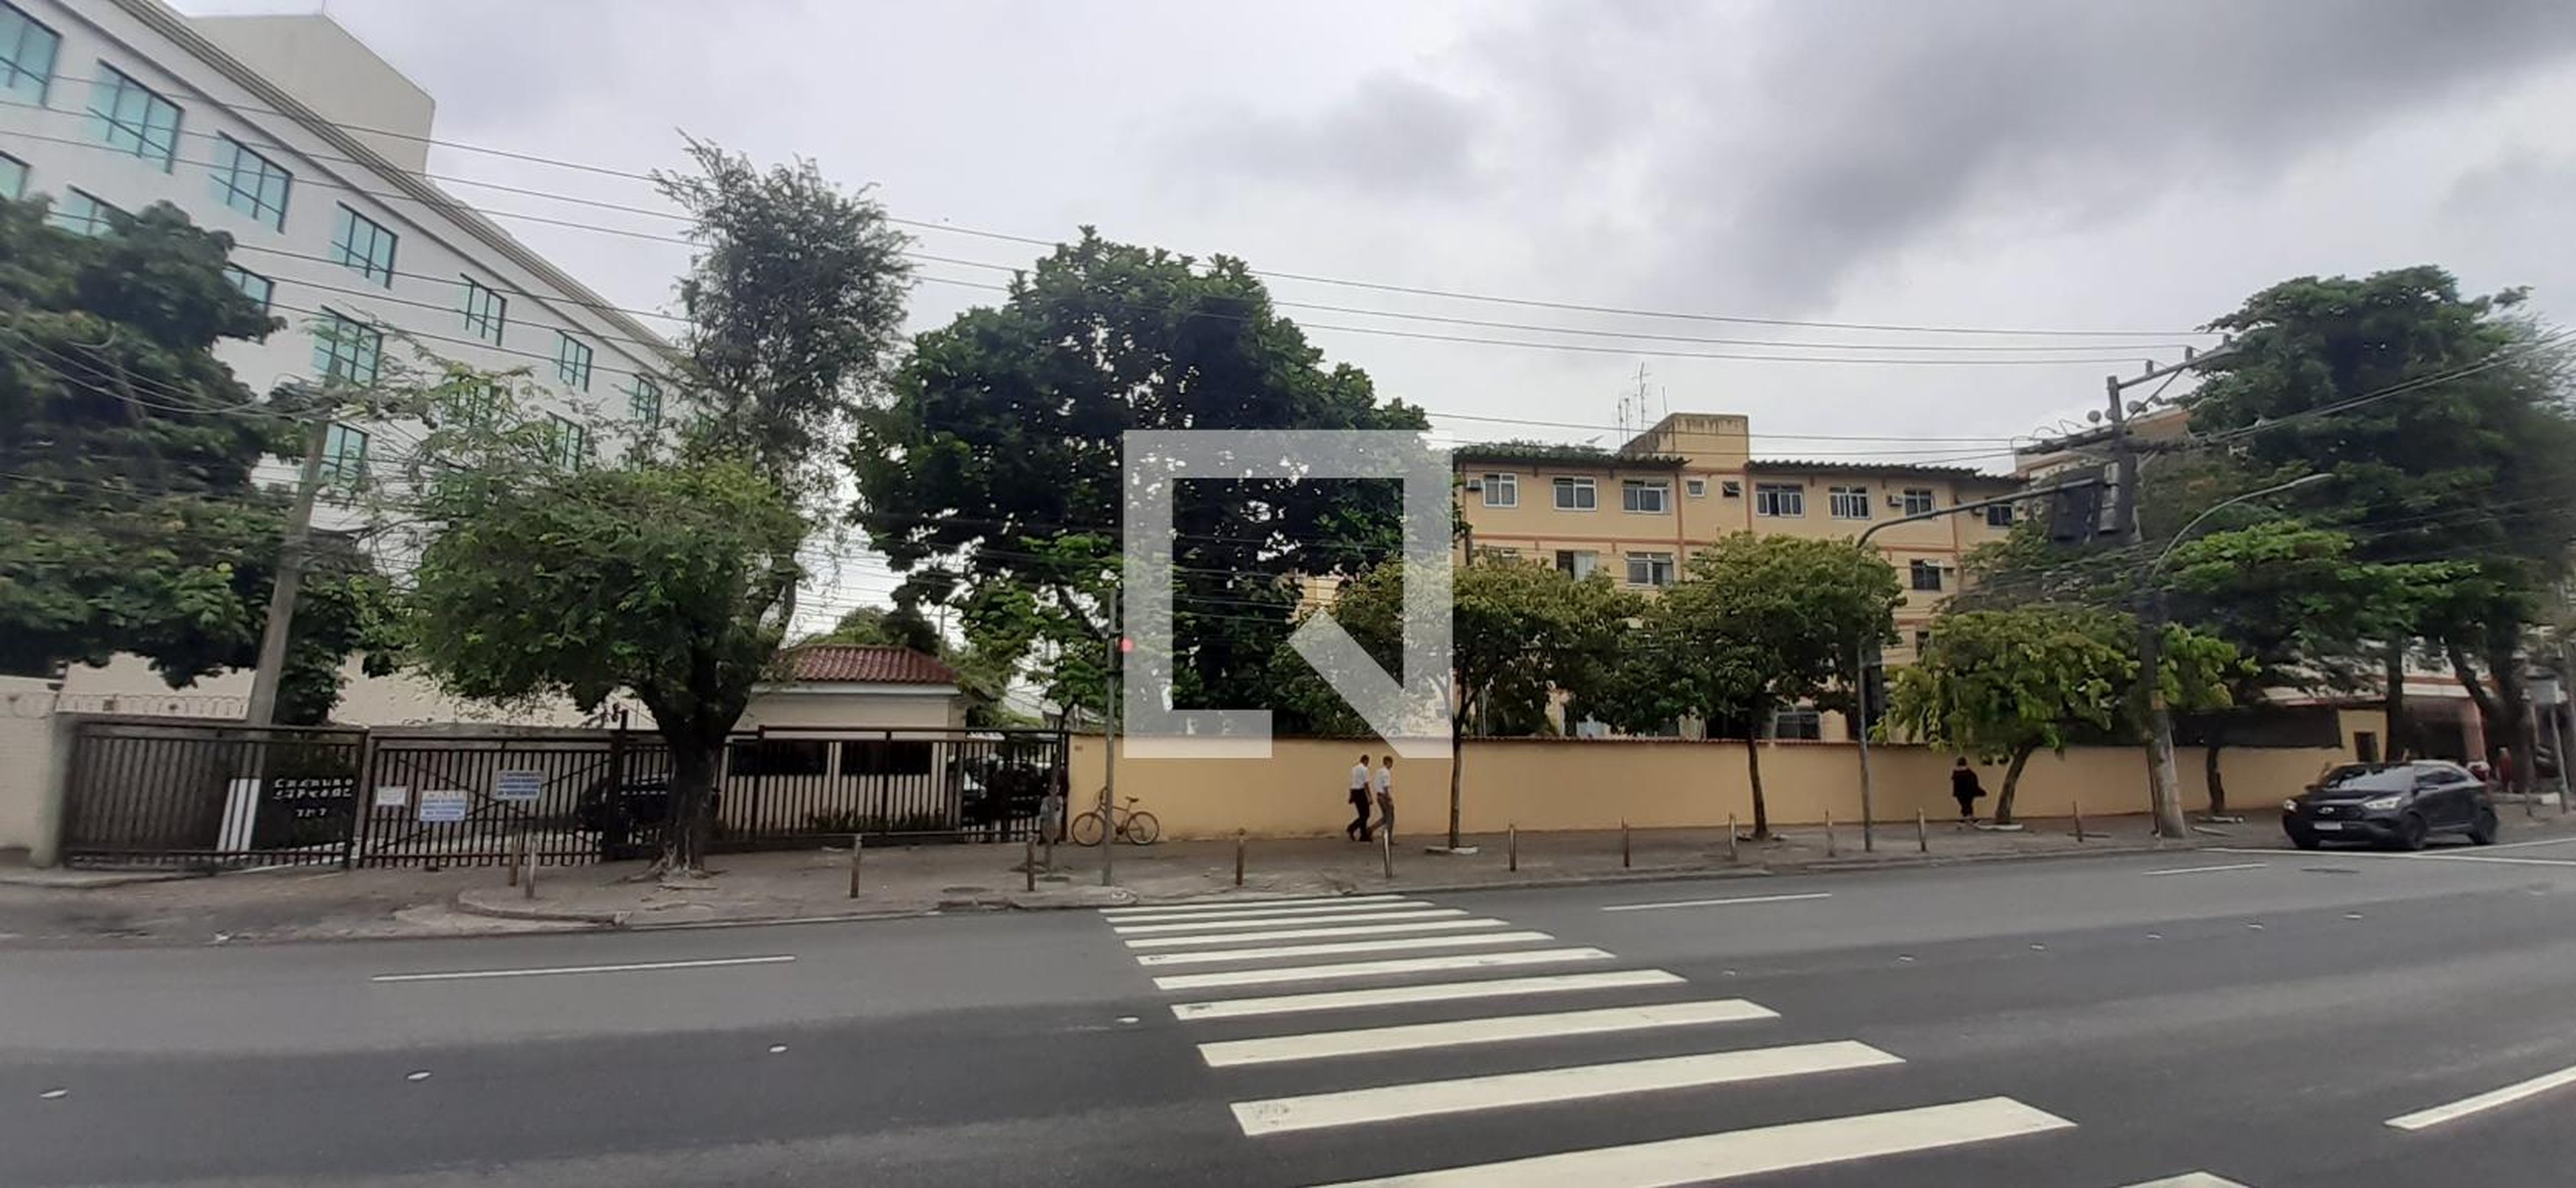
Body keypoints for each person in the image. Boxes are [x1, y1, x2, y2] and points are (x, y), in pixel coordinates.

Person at [1346, 753, 1374, 841]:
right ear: (1365, 761)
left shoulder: (1354, 769)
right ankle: (1352, 828)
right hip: (1360, 792)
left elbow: (1351, 783)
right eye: (1368, 762)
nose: (1368, 764)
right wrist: (1370, 796)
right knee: (1366, 814)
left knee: (1362, 815)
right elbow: (1366, 783)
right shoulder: (1364, 769)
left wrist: (1351, 796)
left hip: (1354, 792)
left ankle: (1363, 836)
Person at [1950, 758, 1986, 824]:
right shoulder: (1970, 773)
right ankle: (1969, 819)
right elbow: (1974, 783)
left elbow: (1955, 784)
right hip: (1969, 793)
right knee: (1967, 805)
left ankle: (1966, 819)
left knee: (1965, 805)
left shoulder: (1955, 774)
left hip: (1960, 793)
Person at [1375, 755, 1397, 839]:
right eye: (1391, 763)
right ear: (1388, 762)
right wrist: (1389, 799)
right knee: (1390, 818)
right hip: (1384, 797)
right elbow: (1386, 787)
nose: (1392, 765)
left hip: (1379, 796)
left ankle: (1370, 829)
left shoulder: (1379, 771)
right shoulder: (1386, 772)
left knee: (1385, 818)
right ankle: (1389, 838)